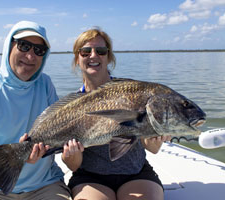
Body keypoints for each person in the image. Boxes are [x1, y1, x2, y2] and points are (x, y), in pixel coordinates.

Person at [0, 21, 71, 200]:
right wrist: (15, 158)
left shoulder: (46, 84)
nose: (30, 56)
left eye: (39, 50)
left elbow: (59, 134)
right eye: (24, 46)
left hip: (45, 185)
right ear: (9, 45)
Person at [61, 28, 171, 200]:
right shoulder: (70, 107)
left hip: (136, 173)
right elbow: (74, 166)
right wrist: (71, 155)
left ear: (109, 57)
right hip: (90, 177)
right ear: (77, 58)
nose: (93, 55)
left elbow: (152, 148)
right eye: (85, 51)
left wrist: (154, 136)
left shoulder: (132, 92)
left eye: (101, 51)